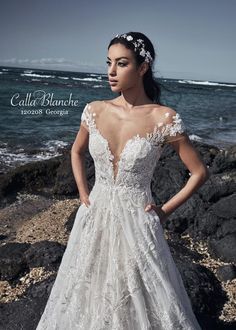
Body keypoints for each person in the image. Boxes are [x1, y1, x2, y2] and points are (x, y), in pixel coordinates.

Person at [36, 32, 209, 329]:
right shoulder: (94, 110)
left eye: (122, 63)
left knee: (137, 297)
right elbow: (76, 152)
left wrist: (164, 211)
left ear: (142, 68)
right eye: (109, 63)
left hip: (138, 222)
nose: (111, 71)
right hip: (94, 214)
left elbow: (199, 173)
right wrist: (83, 194)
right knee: (87, 290)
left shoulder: (163, 118)